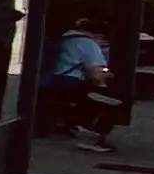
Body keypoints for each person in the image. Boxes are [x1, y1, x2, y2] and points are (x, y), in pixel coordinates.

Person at [38, 20, 119, 149]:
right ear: (99, 36)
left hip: (46, 83)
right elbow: (95, 75)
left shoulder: (62, 39)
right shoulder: (89, 44)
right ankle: (92, 132)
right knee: (111, 99)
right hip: (69, 85)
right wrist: (107, 74)